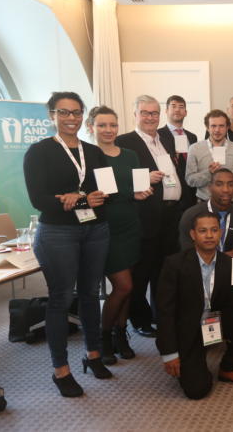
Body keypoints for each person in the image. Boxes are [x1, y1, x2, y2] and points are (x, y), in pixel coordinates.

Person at [24, 92, 111, 397]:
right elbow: (39, 200)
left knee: (90, 294)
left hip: (95, 229)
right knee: (61, 299)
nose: (71, 118)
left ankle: (93, 354)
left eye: (76, 112)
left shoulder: (93, 152)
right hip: (58, 233)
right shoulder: (39, 152)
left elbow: (105, 192)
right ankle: (61, 369)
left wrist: (80, 198)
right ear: (52, 115)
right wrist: (80, 200)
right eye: (64, 112)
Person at [157, 211, 233, 399]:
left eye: (214, 230)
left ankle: (229, 367)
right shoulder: (174, 264)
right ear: (193, 234)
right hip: (189, 328)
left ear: (220, 233)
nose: (209, 235)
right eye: (203, 231)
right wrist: (169, 353)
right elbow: (165, 312)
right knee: (197, 390)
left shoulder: (229, 263)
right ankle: (194, 359)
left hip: (214, 323)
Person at [89, 106, 153, 364]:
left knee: (128, 287)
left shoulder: (130, 155)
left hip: (130, 225)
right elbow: (101, 195)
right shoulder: (89, 155)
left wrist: (142, 192)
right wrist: (130, 194)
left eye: (112, 125)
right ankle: (104, 337)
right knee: (123, 285)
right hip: (105, 227)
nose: (108, 130)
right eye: (102, 125)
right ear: (92, 127)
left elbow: (137, 188)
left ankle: (120, 334)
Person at [115, 95, 181, 338]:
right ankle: (139, 319)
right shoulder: (125, 142)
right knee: (141, 273)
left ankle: (158, 315)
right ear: (135, 114)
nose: (150, 117)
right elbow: (118, 179)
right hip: (145, 217)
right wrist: (145, 178)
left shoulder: (166, 139)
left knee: (163, 272)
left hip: (170, 216)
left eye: (154, 113)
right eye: (145, 112)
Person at [179, 169, 233, 259]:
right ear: (210, 187)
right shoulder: (191, 215)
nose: (225, 190)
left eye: (230, 184)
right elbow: (189, 255)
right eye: (219, 184)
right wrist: (232, 254)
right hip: (198, 268)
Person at [186, 109, 233, 201]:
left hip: (231, 203)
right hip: (204, 202)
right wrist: (208, 173)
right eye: (213, 126)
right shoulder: (194, 149)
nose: (217, 130)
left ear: (227, 127)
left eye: (221, 126)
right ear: (207, 127)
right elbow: (190, 180)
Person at [157, 95, 198, 210]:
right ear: (166, 111)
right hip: (170, 191)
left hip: (191, 190)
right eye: (173, 106)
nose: (177, 110)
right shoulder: (158, 135)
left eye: (181, 107)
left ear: (186, 112)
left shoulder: (192, 136)